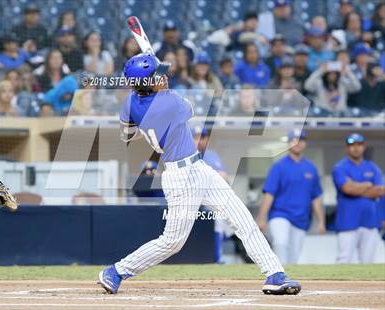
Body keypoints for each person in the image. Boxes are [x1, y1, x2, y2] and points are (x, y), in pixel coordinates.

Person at [98, 52, 301, 296]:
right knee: (172, 242)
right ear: (145, 83)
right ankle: (116, 271)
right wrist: (159, 88)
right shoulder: (170, 102)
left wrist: (151, 83)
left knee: (242, 218)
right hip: (180, 177)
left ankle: (274, 273)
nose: (162, 78)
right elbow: (192, 110)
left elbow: (127, 134)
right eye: (156, 76)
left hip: (200, 169)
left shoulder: (130, 103)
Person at [257, 129, 325, 264]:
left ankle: (288, 279)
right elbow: (269, 194)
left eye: (301, 140)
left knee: (294, 255)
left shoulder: (311, 168)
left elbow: (316, 197)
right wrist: (262, 218)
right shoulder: (279, 166)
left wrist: (321, 221)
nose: (297, 143)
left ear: (305, 143)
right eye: (294, 139)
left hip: (301, 218)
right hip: (280, 214)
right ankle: (278, 275)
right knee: (281, 243)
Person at [333, 133, 384, 263]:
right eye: (352, 145)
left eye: (359, 144)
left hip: (370, 221)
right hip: (347, 221)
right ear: (346, 148)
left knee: (368, 262)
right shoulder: (340, 167)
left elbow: (379, 191)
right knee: (344, 260)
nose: (356, 148)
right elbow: (347, 189)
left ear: (364, 147)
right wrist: (367, 185)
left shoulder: (372, 167)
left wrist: (355, 186)